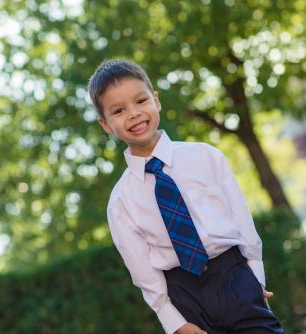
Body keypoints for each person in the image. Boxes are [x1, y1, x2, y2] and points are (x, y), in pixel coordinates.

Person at [87, 59, 283, 334]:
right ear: (105, 124)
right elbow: (143, 272)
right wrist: (175, 323)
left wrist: (255, 280)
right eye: (118, 110)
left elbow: (243, 224)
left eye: (141, 101)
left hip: (234, 277)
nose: (133, 114)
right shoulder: (121, 201)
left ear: (156, 101)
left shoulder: (205, 156)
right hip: (185, 296)